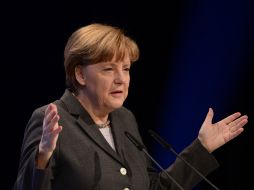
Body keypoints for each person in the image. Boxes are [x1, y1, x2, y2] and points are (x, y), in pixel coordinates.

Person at [13, 23, 248, 190]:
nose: (121, 79)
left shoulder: (124, 119)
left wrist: (202, 147)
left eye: (125, 68)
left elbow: (154, 187)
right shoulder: (51, 120)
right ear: (80, 74)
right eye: (108, 69)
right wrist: (42, 156)